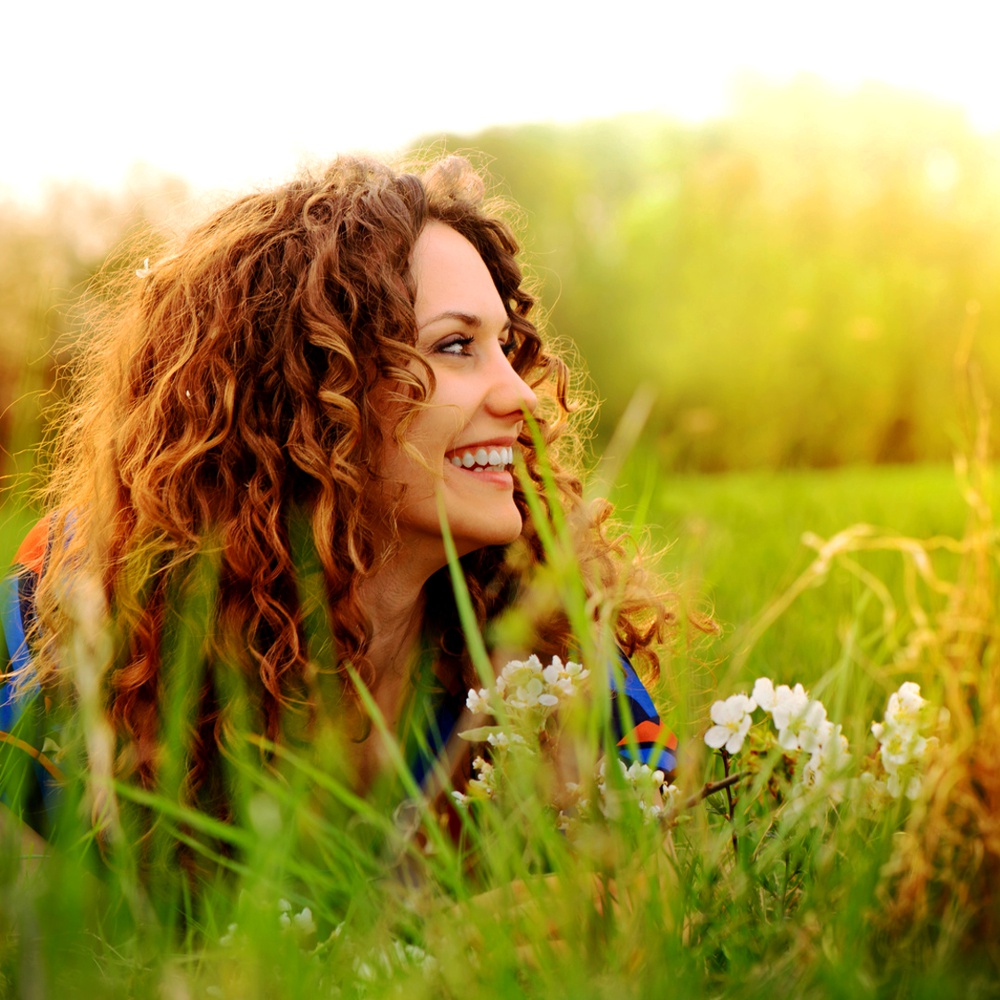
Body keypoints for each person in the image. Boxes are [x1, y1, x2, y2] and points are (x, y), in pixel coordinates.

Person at [0, 155, 681, 846]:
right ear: (303, 398)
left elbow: (654, 853)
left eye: (505, 346)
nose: (521, 395)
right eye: (455, 346)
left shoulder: (546, 636)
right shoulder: (49, 642)